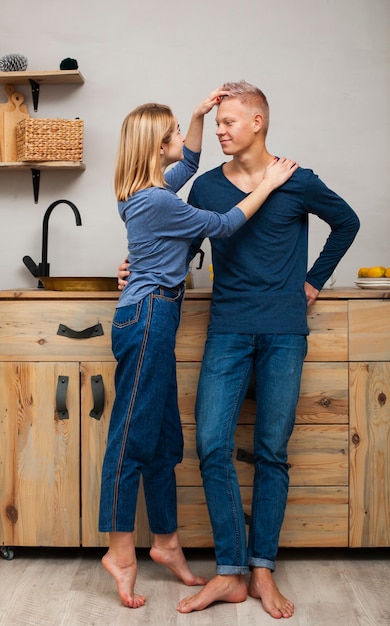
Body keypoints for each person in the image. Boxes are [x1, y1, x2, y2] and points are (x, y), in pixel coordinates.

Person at [118, 80, 360, 618]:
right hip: (226, 329)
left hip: (283, 330)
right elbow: (182, 241)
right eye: (216, 122)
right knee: (211, 446)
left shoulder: (298, 181)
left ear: (258, 123)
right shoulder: (205, 189)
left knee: (272, 452)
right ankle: (229, 573)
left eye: (228, 122)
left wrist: (314, 280)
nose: (219, 130)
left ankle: (261, 569)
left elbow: (347, 223)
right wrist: (140, 264)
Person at [99, 87, 298, 610]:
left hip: (156, 316)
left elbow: (188, 160)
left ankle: (165, 542)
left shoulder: (145, 189)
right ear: (151, 147)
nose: (182, 143)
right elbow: (228, 223)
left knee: (164, 441)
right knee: (128, 440)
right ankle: (120, 551)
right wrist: (271, 181)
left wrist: (192, 114)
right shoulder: (158, 200)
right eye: (170, 136)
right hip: (146, 319)